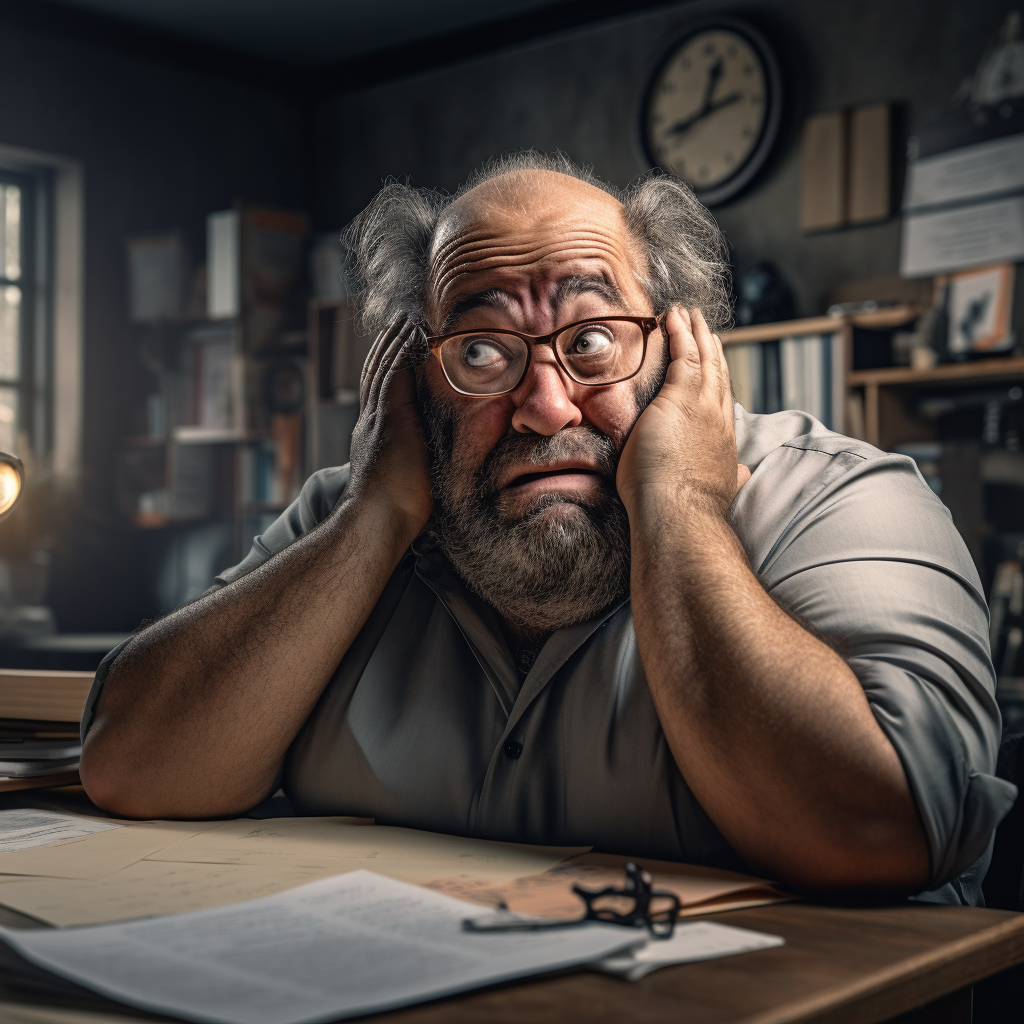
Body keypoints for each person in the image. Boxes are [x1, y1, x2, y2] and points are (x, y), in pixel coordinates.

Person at [80, 153, 1015, 901]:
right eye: (482, 349)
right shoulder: (359, 507)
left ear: (680, 350)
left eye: (593, 338)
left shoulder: (845, 499)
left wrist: (677, 507)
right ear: (415, 378)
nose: (545, 402)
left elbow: (883, 830)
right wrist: (374, 519)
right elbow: (133, 766)